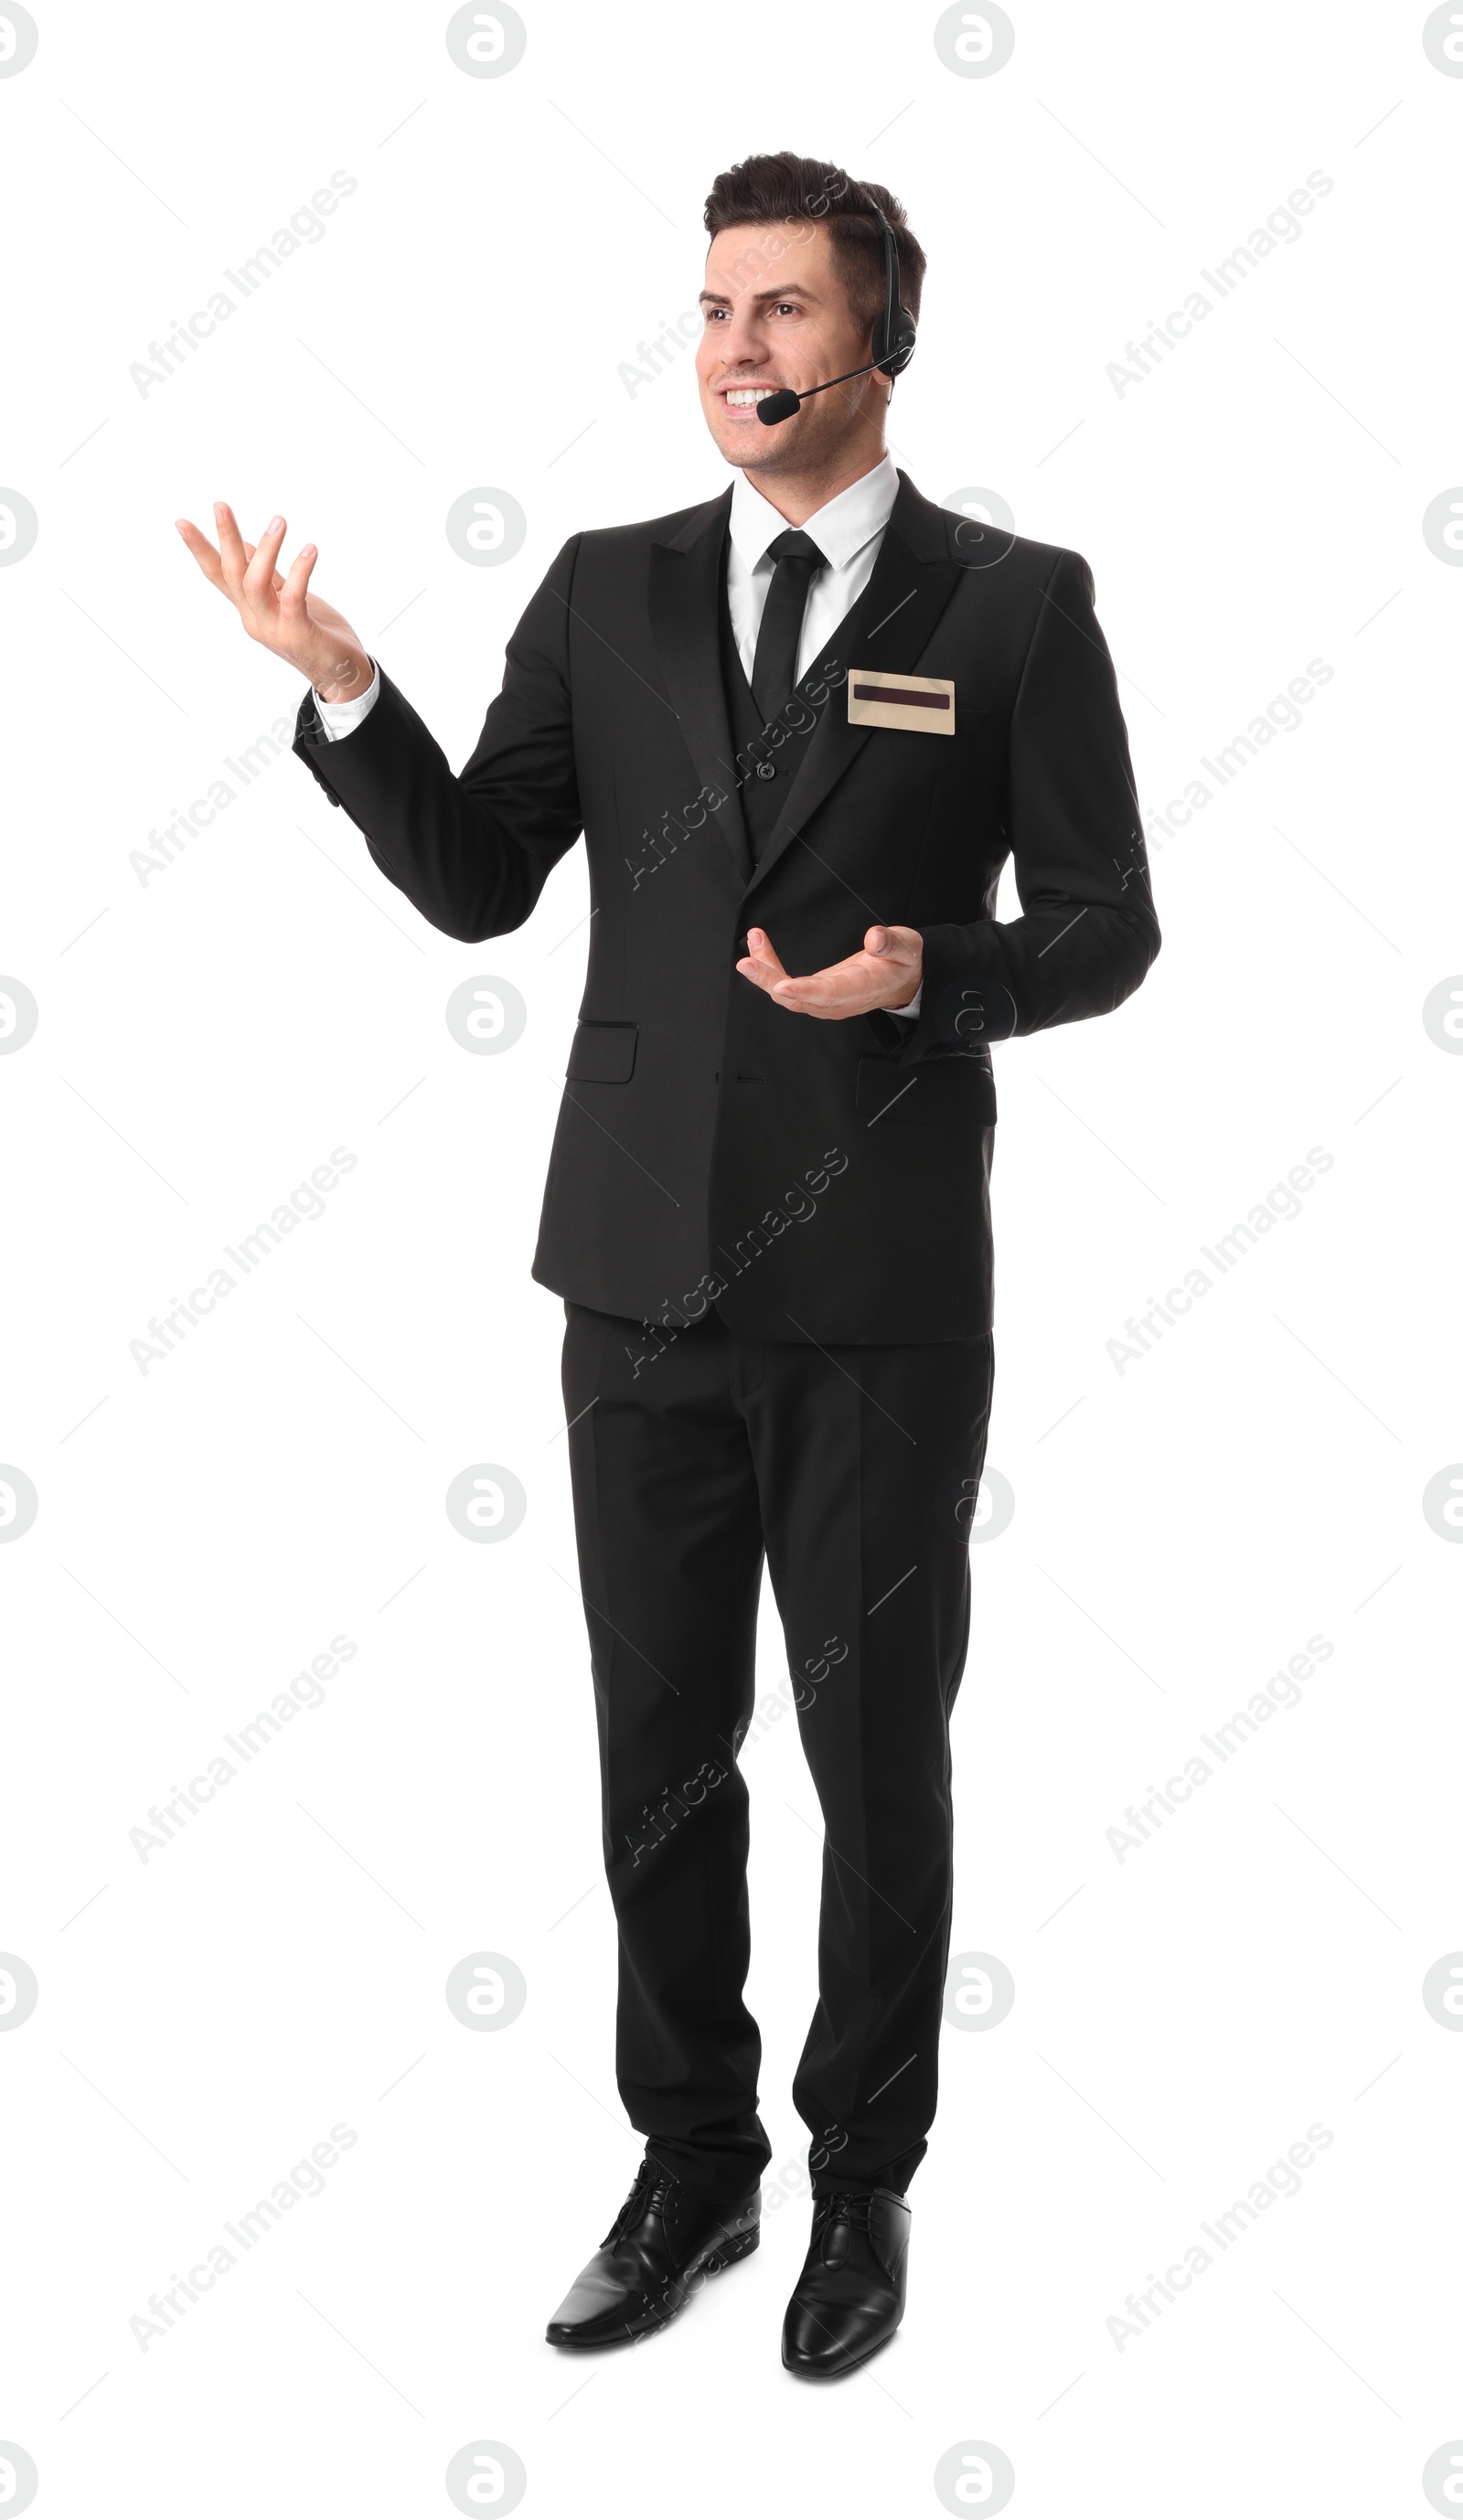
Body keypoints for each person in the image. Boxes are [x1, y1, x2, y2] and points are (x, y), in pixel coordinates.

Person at [176, 151, 1160, 2378]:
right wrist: (348, 700)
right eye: (714, 306)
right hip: (632, 1285)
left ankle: (860, 2183)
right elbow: (475, 885)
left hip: (885, 1297)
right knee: (659, 1751)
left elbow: (1106, 929)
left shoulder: (1011, 602)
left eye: (784, 309)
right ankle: (690, 2162)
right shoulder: (609, 592)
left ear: (879, 339)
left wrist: (935, 972)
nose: (736, 346)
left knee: (872, 1751)